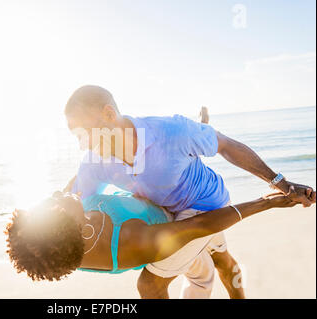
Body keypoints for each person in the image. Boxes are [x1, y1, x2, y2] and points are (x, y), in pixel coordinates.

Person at [63, 85, 316, 298]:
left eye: (84, 134)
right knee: (221, 261)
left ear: (109, 114)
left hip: (209, 206)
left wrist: (281, 183)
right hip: (166, 211)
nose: (82, 144)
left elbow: (226, 145)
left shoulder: (171, 131)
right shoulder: (94, 161)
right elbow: (75, 199)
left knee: (150, 285)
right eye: (76, 137)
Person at [5, 191, 301, 299]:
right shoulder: (131, 243)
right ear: (73, 229)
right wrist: (265, 203)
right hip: (176, 233)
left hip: (167, 223)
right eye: (57, 203)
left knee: (220, 263)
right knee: (213, 268)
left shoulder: (62, 237)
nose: (58, 193)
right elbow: (197, 226)